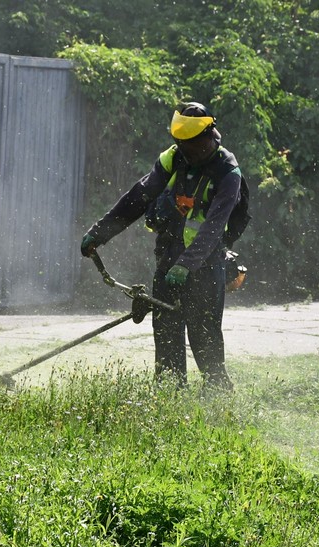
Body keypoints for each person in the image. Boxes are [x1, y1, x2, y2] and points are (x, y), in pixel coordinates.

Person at [80, 102, 243, 391]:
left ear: (208, 137)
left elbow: (214, 226)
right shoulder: (173, 159)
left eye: (191, 147)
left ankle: (218, 393)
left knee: (204, 336)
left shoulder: (228, 172)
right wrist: (99, 233)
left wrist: (187, 264)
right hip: (168, 261)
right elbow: (137, 199)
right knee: (166, 334)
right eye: (181, 146)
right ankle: (169, 393)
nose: (187, 153)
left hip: (205, 266)